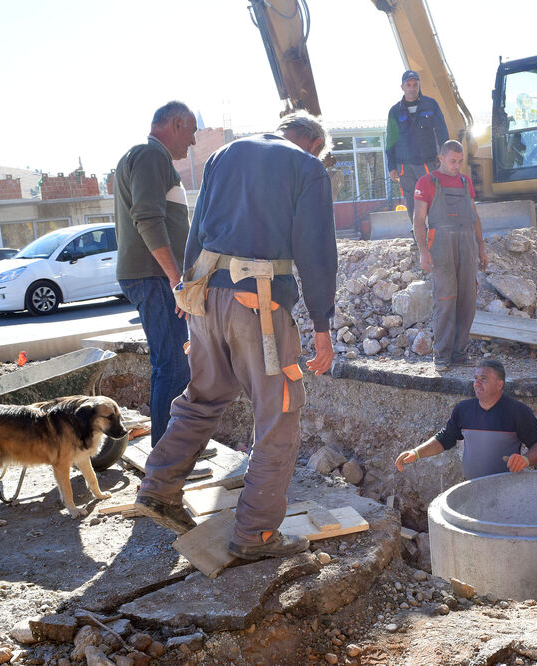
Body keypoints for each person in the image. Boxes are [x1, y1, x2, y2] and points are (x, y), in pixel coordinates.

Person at [134, 112, 338, 562]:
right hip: (258, 305)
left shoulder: (222, 155)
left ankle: (158, 487)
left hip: (206, 298)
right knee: (279, 416)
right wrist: (322, 327)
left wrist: (188, 295)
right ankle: (255, 534)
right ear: (313, 140)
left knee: (203, 396)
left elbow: (196, 230)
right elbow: (316, 252)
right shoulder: (307, 167)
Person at [114, 101, 196, 448]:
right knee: (174, 366)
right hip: (155, 278)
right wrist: (176, 280)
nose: (192, 142)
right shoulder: (151, 156)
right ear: (176, 124)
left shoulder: (149, 157)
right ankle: (167, 457)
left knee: (174, 363)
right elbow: (147, 219)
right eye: (191, 131)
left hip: (155, 278)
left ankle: (168, 450)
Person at [395, 359, 537, 480]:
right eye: (475, 379)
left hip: (506, 488)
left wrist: (525, 460)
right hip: (471, 488)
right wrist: (416, 453)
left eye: (483, 379)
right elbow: (445, 439)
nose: (476, 383)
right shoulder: (463, 409)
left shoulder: (518, 411)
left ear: (499, 384)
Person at [413, 139, 489, 371]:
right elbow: (418, 220)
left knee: (467, 300)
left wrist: (481, 248)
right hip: (441, 245)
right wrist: (423, 251)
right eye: (453, 161)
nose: (457, 166)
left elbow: (474, 217)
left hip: (467, 242)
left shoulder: (465, 182)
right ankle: (442, 355)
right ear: (442, 158)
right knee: (446, 300)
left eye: (460, 161)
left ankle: (459, 354)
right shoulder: (427, 182)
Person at [385, 70, 449, 225]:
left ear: (419, 85)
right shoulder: (394, 111)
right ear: (402, 87)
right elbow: (390, 141)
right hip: (405, 167)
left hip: (427, 163)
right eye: (409, 85)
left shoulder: (430, 105)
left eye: (415, 84)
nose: (412, 88)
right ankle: (419, 238)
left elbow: (442, 133)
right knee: (412, 203)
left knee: (433, 199)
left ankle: (435, 234)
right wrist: (391, 167)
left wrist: (444, 158)